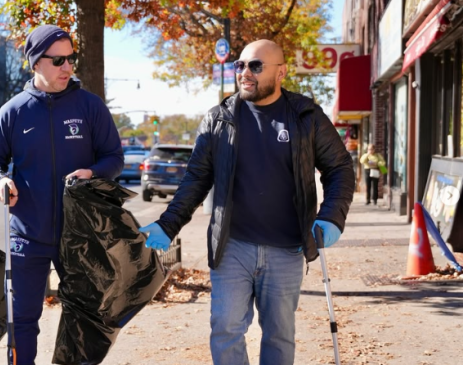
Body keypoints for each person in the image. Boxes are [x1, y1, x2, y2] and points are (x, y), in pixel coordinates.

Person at [140, 40, 355, 365]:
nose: (244, 73)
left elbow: (339, 167)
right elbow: (196, 179)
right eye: (240, 65)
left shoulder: (305, 115)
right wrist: (168, 224)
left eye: (255, 66)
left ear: (280, 72)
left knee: (279, 335)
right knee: (225, 330)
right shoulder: (219, 119)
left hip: (287, 251)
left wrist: (332, 217)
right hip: (231, 249)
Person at [0, 24, 124, 365]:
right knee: (21, 320)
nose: (67, 67)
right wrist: (0, 180)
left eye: (71, 58)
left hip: (79, 235)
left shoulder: (90, 107)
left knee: (84, 318)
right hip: (27, 236)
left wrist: (93, 172)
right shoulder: (13, 111)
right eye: (58, 60)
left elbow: (114, 157)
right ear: (36, 63)